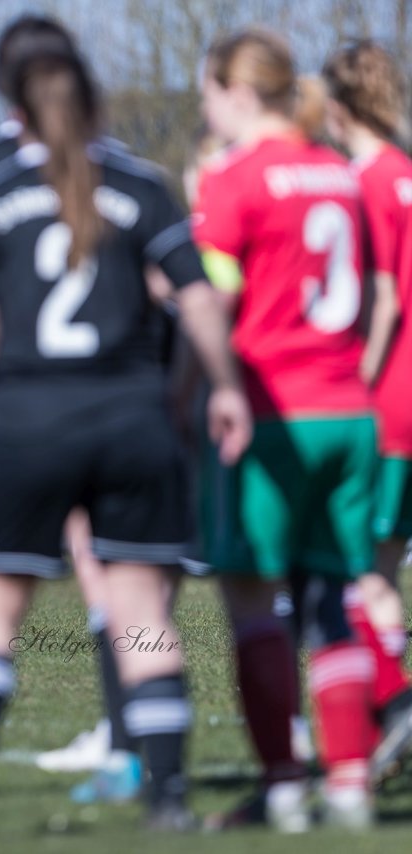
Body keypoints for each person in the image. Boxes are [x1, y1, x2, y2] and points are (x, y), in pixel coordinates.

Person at [0, 14, 251, 836]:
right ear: (90, 92)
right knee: (139, 612)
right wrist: (219, 390)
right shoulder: (139, 181)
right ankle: (164, 793)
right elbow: (195, 296)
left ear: (6, 92)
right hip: (133, 420)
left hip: (27, 420)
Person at [194, 30, 380, 831]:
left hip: (276, 415)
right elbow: (372, 296)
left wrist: (194, 389)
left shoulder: (236, 178)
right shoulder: (339, 173)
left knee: (252, 603)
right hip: (350, 413)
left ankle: (281, 788)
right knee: (333, 600)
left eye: (206, 94)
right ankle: (350, 785)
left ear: (237, 92)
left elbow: (213, 301)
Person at [322, 39, 412, 787]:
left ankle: (392, 704)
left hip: (386, 402)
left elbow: (382, 299)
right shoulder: (408, 173)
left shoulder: (365, 179)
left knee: (357, 570)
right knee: (379, 565)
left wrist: (359, 375)